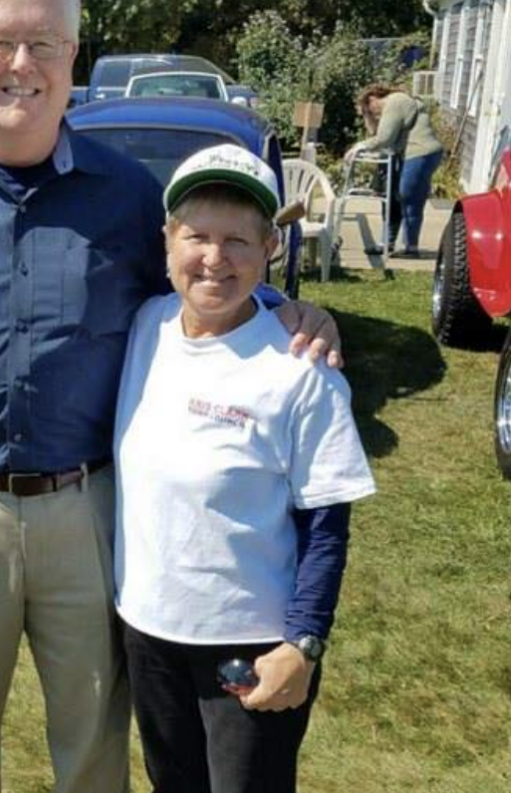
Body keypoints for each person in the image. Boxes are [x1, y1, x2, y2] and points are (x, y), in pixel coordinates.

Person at [0, 0, 342, 793]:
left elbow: (201, 287)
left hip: (92, 512)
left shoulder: (127, 194)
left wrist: (290, 313)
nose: (22, 65)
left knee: (95, 750)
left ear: (72, 59)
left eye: (46, 43)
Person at [114, 144, 376, 793]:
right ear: (167, 242)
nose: (213, 257)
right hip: (147, 630)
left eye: (237, 241)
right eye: (196, 236)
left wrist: (303, 644)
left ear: (269, 251)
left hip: (246, 645)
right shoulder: (144, 325)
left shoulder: (299, 367)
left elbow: (326, 527)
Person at [346, 83, 444, 258]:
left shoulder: (395, 102)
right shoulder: (392, 106)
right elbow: (376, 132)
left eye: (368, 108)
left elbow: (384, 138)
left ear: (373, 98)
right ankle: (387, 243)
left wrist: (361, 145)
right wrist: (368, 117)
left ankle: (411, 248)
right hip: (412, 154)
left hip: (421, 152)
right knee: (393, 197)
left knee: (409, 197)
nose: (372, 112)